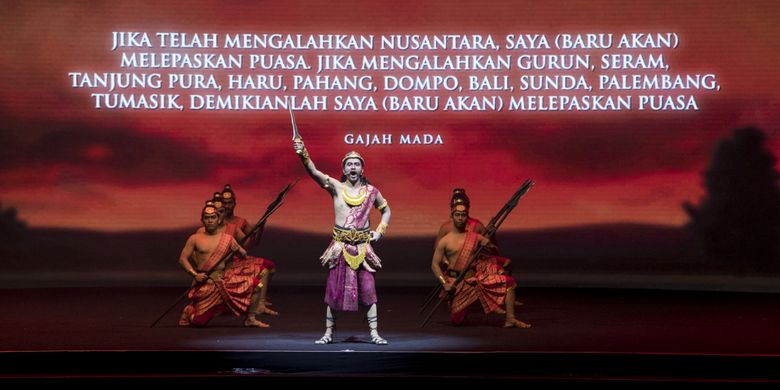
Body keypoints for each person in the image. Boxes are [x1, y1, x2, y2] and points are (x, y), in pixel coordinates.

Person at [294, 140, 391, 345]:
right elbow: (313, 172)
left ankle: (374, 333)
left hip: (363, 249)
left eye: (356, 164)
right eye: (349, 164)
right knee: (333, 291)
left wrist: (380, 231)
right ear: (344, 168)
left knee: (368, 290)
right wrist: (303, 153)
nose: (353, 167)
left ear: (362, 168)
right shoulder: (336, 187)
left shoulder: (372, 191)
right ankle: (328, 334)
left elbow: (386, 210)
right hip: (340, 247)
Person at [431, 200, 530, 328]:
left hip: (476, 278)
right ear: (452, 215)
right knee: (457, 321)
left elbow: (494, 250)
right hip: (458, 283)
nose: (460, 217)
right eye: (457, 214)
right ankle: (456, 301)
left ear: (467, 216)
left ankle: (510, 319)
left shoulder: (475, 237)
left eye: (463, 214)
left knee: (509, 282)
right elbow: (434, 265)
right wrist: (444, 284)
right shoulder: (445, 241)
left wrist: (490, 239)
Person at [178, 203, 271, 328]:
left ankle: (250, 318)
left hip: (224, 280)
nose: (210, 220)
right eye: (207, 217)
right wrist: (195, 275)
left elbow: (243, 254)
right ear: (202, 220)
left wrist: (237, 249)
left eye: (213, 217)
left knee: (256, 284)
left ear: (219, 219)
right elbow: (182, 259)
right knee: (199, 322)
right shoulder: (195, 238)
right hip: (206, 284)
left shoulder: (227, 238)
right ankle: (190, 310)